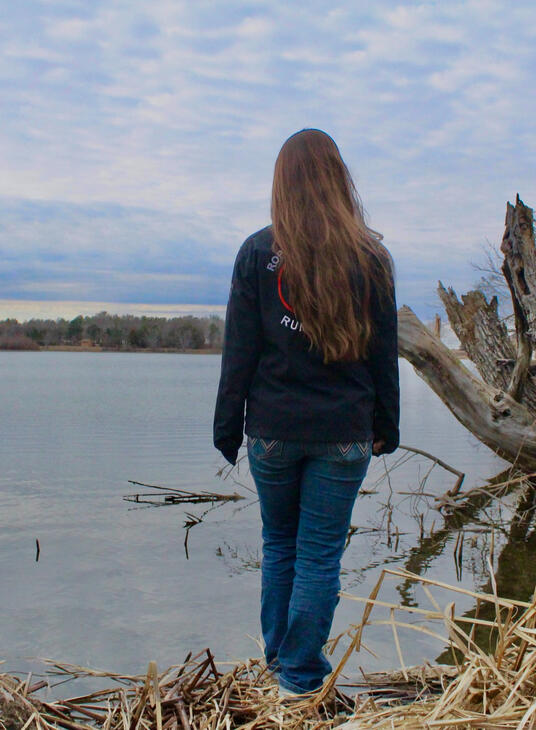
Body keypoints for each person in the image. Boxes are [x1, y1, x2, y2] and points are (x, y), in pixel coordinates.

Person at [213, 129, 399, 696]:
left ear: (282, 183)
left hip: (273, 430)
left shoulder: (257, 253)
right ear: (339, 179)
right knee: (318, 555)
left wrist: (227, 428)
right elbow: (382, 354)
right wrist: (386, 426)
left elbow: (239, 351)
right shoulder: (371, 256)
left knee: (280, 546)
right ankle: (298, 675)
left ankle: (285, 672)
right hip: (344, 432)